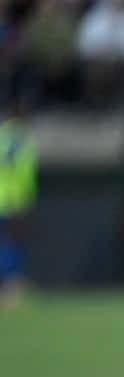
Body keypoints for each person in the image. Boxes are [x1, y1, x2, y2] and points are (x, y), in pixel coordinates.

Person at [0, 109, 36, 309]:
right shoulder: (22, 139)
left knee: (5, 243)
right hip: (15, 199)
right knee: (12, 244)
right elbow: (26, 172)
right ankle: (11, 287)